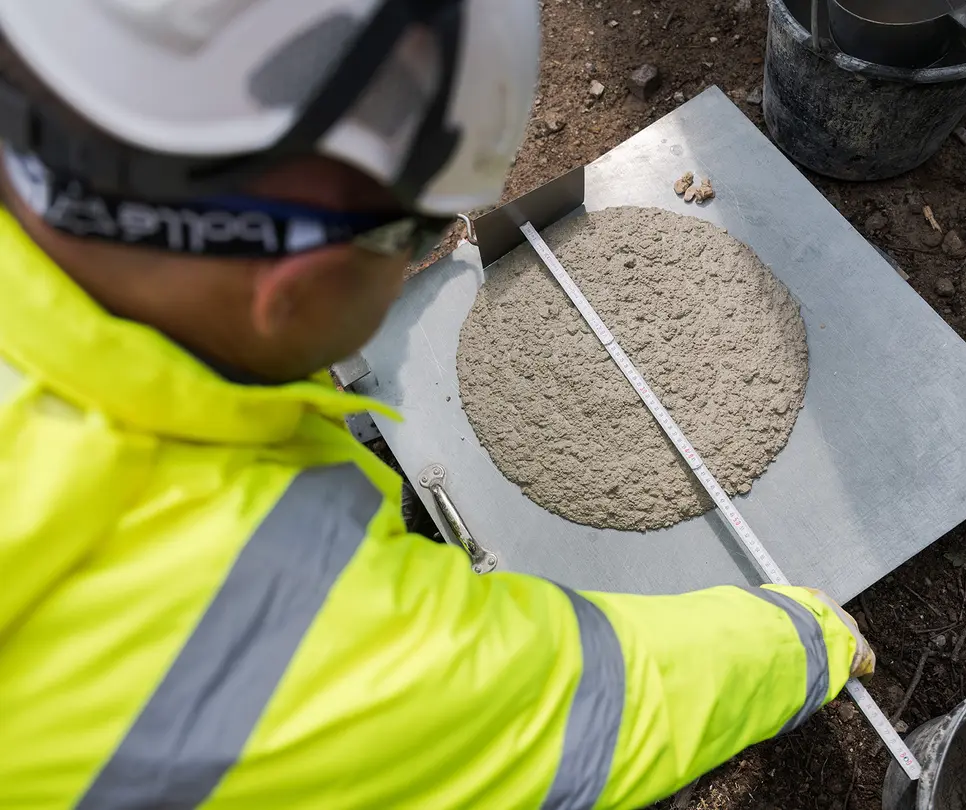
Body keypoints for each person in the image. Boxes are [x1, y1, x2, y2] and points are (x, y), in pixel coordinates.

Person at [0, 2, 875, 808]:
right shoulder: (277, 625)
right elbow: (597, 705)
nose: (442, 250)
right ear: (291, 288)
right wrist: (805, 639)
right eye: (423, 235)